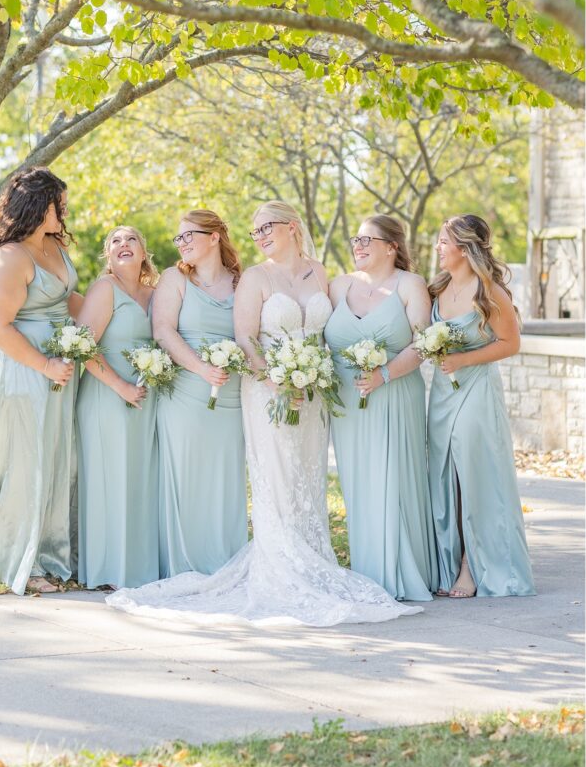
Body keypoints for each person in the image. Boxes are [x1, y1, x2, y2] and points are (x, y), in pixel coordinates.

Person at [107, 202, 421, 627]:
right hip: (267, 389)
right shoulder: (254, 277)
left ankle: (312, 559)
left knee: (307, 479)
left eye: (266, 228)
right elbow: (246, 338)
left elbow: (330, 331)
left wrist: (315, 374)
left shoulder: (320, 271)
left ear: (292, 227)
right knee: (276, 478)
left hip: (313, 391)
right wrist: (276, 380)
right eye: (254, 232)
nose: (259, 237)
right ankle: (281, 568)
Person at [0, 167, 80, 595]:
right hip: (21, 367)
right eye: (61, 203)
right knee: (25, 463)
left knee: (57, 460)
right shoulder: (9, 258)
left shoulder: (53, 245)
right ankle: (22, 562)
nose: (66, 211)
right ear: (40, 206)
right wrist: (44, 365)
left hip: (56, 366)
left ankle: (51, 556)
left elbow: (72, 301)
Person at [325, 215, 438, 601]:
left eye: (367, 240)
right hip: (347, 402)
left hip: (394, 395)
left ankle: (405, 571)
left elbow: (423, 343)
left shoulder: (410, 285)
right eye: (355, 239)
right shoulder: (338, 285)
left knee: (394, 479)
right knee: (359, 485)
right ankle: (368, 572)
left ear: (391, 246)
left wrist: (384, 374)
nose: (358, 245)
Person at [427, 214, 535, 598]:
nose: (438, 248)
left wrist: (463, 360)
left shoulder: (488, 292)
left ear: (464, 246)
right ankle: (448, 560)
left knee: (473, 474)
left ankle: (473, 567)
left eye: (443, 241)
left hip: (476, 389)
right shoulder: (437, 288)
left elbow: (511, 343)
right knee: (445, 476)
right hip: (442, 392)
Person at [147, 209, 247, 577]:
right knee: (186, 478)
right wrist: (201, 367)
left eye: (189, 235)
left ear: (214, 237)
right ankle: (184, 565)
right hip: (186, 391)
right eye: (180, 237)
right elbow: (163, 330)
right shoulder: (175, 278)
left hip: (233, 396)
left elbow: (252, 334)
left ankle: (226, 563)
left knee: (225, 480)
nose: (183, 243)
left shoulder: (242, 281)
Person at [76, 225, 159, 589]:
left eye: (131, 240)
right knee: (110, 481)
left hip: (146, 400)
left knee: (140, 480)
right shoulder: (104, 289)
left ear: (143, 251)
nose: (123, 245)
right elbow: (81, 346)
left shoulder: (155, 294)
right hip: (106, 396)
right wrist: (120, 386)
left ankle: (139, 568)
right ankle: (109, 570)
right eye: (115, 241)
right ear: (107, 254)